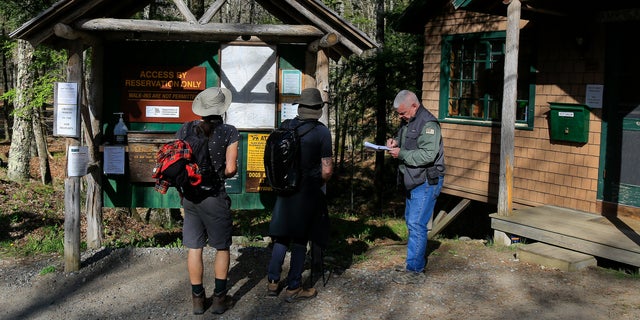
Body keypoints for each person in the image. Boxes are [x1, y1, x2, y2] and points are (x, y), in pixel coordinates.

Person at [266, 87, 333, 302]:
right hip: (307, 192)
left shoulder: (285, 126)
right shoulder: (322, 132)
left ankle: (273, 282)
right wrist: (318, 182)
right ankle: (294, 287)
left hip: (284, 189)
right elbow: (327, 170)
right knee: (300, 239)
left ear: (301, 107)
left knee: (281, 235)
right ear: (318, 110)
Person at [178, 87, 239, 315]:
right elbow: (231, 168)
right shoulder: (229, 132)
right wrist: (222, 172)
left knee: (195, 247)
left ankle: (197, 301)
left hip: (191, 197)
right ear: (221, 109)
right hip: (214, 196)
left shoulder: (185, 129)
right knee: (222, 247)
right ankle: (220, 300)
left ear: (201, 109)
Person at [385, 89, 445, 284]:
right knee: (412, 223)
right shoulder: (409, 121)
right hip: (413, 179)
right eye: (399, 114)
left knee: (417, 224)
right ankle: (412, 263)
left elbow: (428, 156)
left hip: (426, 181)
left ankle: (415, 271)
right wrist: (394, 142)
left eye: (403, 113)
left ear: (414, 105)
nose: (401, 117)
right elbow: (407, 143)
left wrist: (400, 154)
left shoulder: (428, 124)